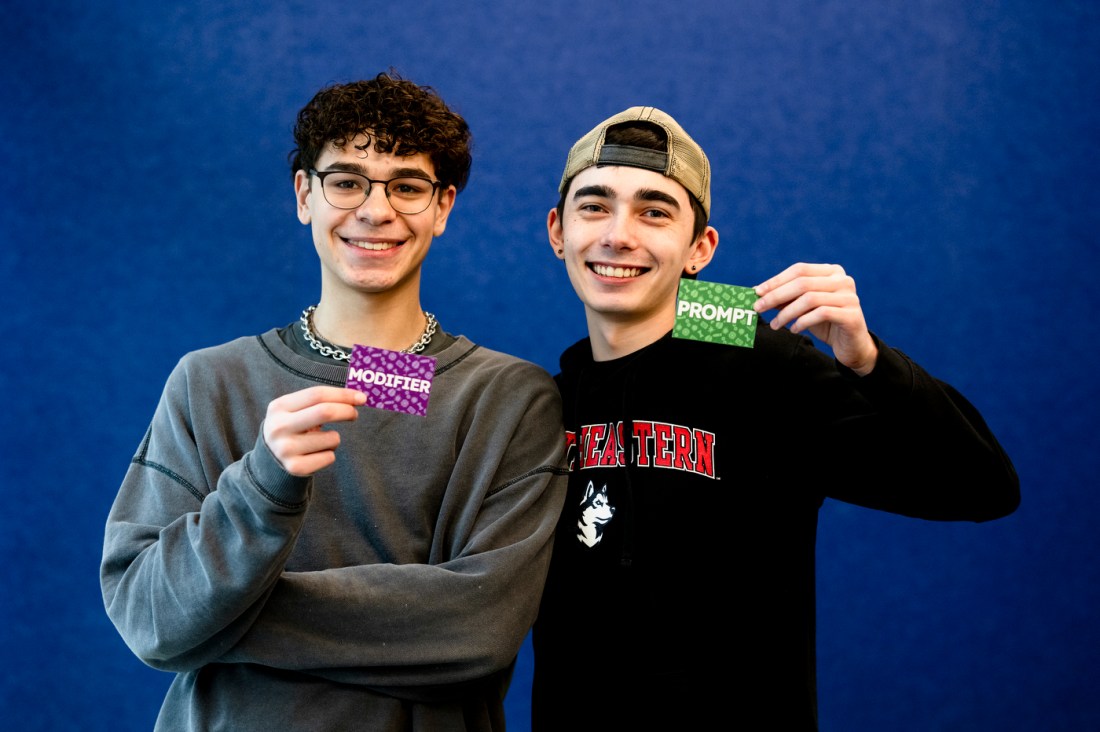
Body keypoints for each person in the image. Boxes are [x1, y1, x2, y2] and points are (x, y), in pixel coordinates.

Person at [100, 72, 568, 731]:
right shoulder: (210, 382)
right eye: (346, 182)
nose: (376, 212)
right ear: (304, 195)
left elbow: (478, 632)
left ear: (444, 207)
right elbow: (150, 618)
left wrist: (223, 619)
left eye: (407, 186)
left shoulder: (509, 398)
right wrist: (261, 491)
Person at [531, 106, 1019, 730]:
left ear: (699, 249)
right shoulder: (550, 396)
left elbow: (984, 487)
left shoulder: (762, 362)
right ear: (557, 231)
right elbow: (438, 386)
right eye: (594, 206)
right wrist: (361, 365)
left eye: (655, 211)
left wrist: (869, 360)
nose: (618, 235)